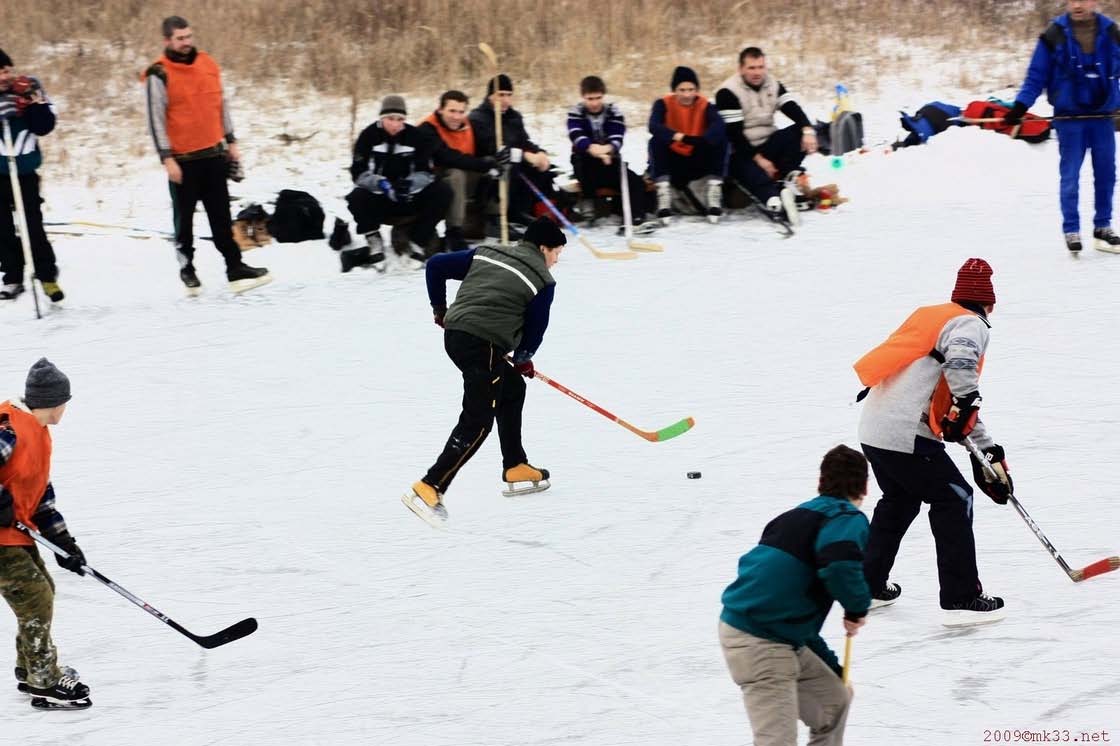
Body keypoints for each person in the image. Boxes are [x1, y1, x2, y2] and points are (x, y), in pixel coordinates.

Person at [853, 258, 1012, 626]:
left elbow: (958, 407)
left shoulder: (937, 317)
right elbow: (960, 370)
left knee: (900, 500)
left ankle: (867, 585)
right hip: (905, 433)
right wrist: (966, 403)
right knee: (954, 497)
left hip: (876, 429)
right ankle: (961, 595)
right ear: (989, 302)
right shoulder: (970, 324)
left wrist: (988, 453)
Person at [403, 216, 565, 527]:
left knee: (513, 388)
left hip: (457, 336)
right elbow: (536, 328)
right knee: (477, 421)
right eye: (556, 252)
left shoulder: (488, 253)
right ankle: (429, 486)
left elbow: (436, 264)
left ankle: (515, 464)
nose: (556, 260)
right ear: (543, 248)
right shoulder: (543, 280)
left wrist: (440, 309)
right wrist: (524, 357)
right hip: (484, 345)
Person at [719, 444, 870, 746]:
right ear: (865, 487)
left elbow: (795, 617)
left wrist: (832, 666)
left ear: (821, 483)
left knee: (835, 699)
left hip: (776, 634)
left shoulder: (791, 518)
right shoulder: (845, 518)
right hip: (761, 642)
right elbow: (838, 563)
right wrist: (856, 607)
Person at [143, 16, 270, 295]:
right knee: (184, 219)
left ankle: (235, 267)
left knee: (221, 216)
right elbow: (155, 120)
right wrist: (167, 158)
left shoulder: (208, 64)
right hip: (183, 160)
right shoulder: (158, 74)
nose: (187, 43)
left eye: (189, 37)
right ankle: (187, 268)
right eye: (180, 39)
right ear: (167, 41)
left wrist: (231, 140)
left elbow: (220, 104)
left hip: (213, 154)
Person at [1, 358, 91, 709]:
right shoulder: (10, 429)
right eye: (65, 401)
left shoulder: (37, 434)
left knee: (43, 591)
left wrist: (64, 543)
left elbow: (40, 498)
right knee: (36, 598)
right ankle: (45, 679)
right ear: (53, 401)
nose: (66, 407)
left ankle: (31, 668)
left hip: (13, 534)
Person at [1005, 0, 1120, 253]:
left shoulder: (1112, 32)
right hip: (1069, 120)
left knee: (1107, 175)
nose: (1078, 5)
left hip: (1102, 119)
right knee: (1070, 176)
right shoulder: (1053, 35)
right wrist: (1020, 107)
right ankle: (1071, 230)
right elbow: (1036, 76)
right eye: (1073, 0)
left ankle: (1103, 227)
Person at [342, 94, 453, 272]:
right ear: (381, 118)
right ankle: (374, 240)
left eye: (400, 119)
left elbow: (425, 172)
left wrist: (409, 184)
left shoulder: (415, 136)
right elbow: (358, 173)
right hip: (381, 198)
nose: (395, 124)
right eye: (390, 119)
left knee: (443, 191)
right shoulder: (368, 136)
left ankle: (418, 242)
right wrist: (381, 184)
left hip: (408, 197)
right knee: (356, 196)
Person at [716, 47, 817, 222]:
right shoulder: (727, 92)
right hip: (740, 151)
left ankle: (788, 177)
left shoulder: (773, 84)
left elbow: (793, 109)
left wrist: (807, 130)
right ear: (741, 69)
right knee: (752, 173)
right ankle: (773, 199)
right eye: (751, 68)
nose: (757, 73)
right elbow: (735, 135)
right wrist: (759, 159)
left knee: (798, 131)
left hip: (769, 142)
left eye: (761, 67)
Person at [0, 49, 64, 303]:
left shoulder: (29, 88)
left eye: (7, 70)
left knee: (33, 226)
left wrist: (29, 103)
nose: (5, 76)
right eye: (0, 72)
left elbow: (45, 126)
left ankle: (47, 275)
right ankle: (13, 277)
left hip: (25, 172)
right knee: (2, 229)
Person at [419, 90, 507, 252]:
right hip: (434, 184)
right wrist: (482, 164)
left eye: (461, 112)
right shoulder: (427, 128)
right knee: (456, 173)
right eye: (452, 111)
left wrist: (495, 156)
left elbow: (483, 148)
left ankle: (495, 221)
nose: (456, 117)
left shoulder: (467, 125)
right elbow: (446, 157)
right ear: (440, 110)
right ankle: (454, 231)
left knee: (497, 168)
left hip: (463, 178)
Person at [469, 74, 555, 231]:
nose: (506, 100)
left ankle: (517, 211)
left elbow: (524, 142)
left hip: (513, 162)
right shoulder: (478, 117)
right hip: (486, 167)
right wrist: (525, 156)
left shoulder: (514, 116)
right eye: (501, 95)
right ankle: (495, 218)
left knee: (538, 166)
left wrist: (540, 153)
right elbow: (495, 149)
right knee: (507, 164)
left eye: (509, 95)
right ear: (490, 96)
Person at [647, 66, 728, 225]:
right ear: (674, 90)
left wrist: (704, 140)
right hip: (673, 158)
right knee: (655, 141)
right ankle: (663, 196)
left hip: (696, 155)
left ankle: (714, 192)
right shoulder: (662, 104)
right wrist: (679, 136)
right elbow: (653, 125)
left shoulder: (705, 105)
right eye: (682, 90)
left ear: (696, 90)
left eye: (691, 89)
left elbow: (719, 125)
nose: (687, 94)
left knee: (722, 139)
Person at [567, 75, 649, 227]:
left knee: (635, 181)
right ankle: (588, 201)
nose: (594, 103)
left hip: (610, 160)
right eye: (590, 99)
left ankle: (635, 217)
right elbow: (577, 136)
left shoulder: (613, 111)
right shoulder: (576, 113)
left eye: (598, 98)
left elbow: (617, 135)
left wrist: (607, 150)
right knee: (584, 162)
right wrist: (596, 151)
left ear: (603, 96)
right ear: (583, 97)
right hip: (585, 161)